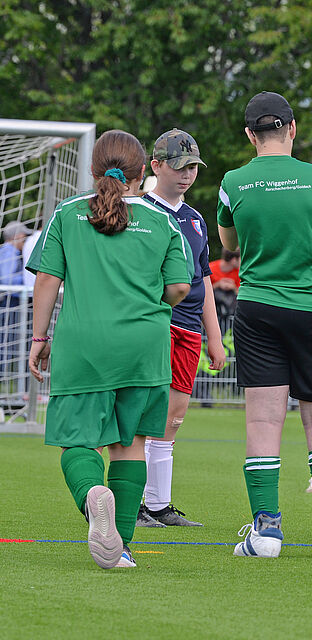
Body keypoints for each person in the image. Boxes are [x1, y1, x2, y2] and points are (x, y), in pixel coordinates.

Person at [27, 129, 191, 569]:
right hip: (144, 345)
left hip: (84, 344)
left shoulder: (67, 212)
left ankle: (92, 497)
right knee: (131, 444)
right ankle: (122, 550)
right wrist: (153, 306)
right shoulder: (164, 220)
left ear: (93, 169)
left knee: (78, 443)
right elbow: (178, 286)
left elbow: (47, 279)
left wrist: (40, 339)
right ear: (143, 173)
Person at [217, 91, 312, 560]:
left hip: (258, 310)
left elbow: (229, 245)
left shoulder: (232, 183)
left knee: (262, 421)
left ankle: (265, 533)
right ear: (292, 128)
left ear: (249, 135)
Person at [136, 129, 226, 529]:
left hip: (189, 327)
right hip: (152, 323)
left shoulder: (194, 219)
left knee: (174, 417)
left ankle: (159, 504)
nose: (187, 174)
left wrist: (215, 337)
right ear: (156, 166)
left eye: (192, 166)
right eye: (179, 166)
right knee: (142, 413)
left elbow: (203, 278)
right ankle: (133, 501)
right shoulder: (139, 212)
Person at [0, 222, 31, 373]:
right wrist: (28, 281)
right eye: (24, 238)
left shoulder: (8, 251)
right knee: (7, 343)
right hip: (10, 303)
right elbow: (7, 280)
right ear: (17, 237)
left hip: (12, 302)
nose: (24, 242)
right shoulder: (9, 252)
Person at [209, 248, 240, 328]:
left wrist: (233, 287)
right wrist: (218, 285)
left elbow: (241, 295)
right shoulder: (210, 269)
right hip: (213, 309)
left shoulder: (239, 272)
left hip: (231, 312)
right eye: (240, 258)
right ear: (234, 260)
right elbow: (203, 293)